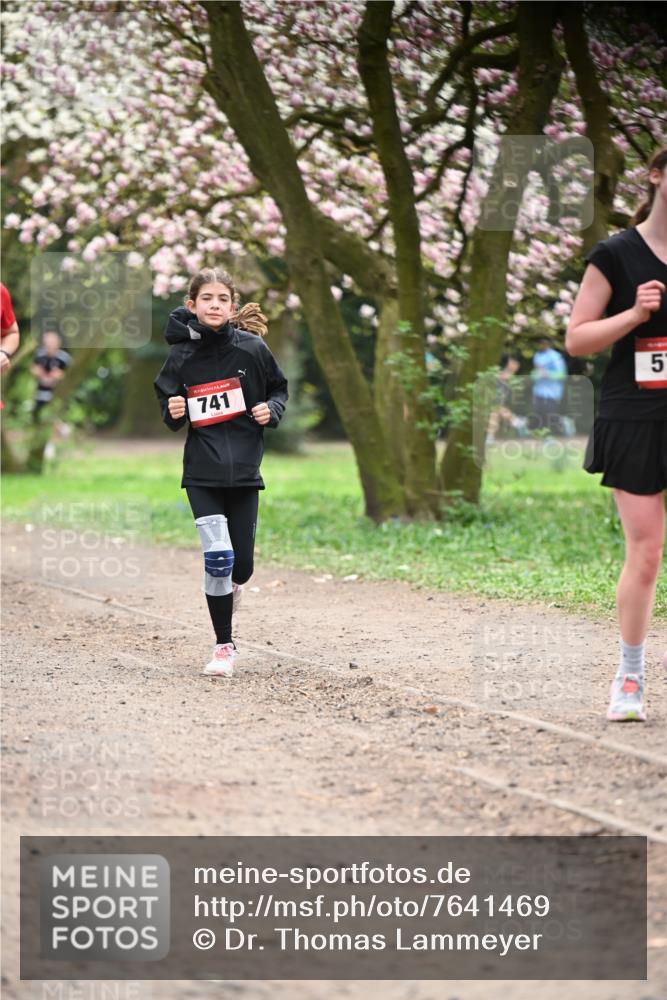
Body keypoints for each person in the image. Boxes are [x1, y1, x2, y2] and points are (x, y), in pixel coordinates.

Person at [566, 146, 667, 722]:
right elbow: (577, 338)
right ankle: (630, 676)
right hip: (635, 417)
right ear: (655, 175)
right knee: (646, 554)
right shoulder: (616, 253)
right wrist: (633, 315)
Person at [154, 266, 288, 678]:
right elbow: (170, 411)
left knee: (240, 567)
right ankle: (223, 646)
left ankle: (232, 585)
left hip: (245, 471)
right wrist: (174, 409)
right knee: (218, 558)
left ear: (232, 307)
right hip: (202, 472)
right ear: (192, 305)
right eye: (207, 299)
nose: (215, 305)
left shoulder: (252, 349)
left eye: (223, 299)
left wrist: (272, 410)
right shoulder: (181, 355)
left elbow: (278, 388)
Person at [31, 329, 71, 420]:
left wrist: (58, 376)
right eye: (47, 342)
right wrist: (41, 374)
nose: (49, 345)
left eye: (52, 342)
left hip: (57, 393)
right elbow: (33, 368)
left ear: (58, 343)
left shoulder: (65, 358)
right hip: (40, 392)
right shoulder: (39, 354)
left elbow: (69, 375)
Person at [531, 336, 567, 433]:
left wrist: (547, 374)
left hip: (552, 392)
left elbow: (562, 374)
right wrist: (535, 375)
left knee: (550, 414)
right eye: (540, 343)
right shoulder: (537, 356)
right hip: (538, 391)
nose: (542, 345)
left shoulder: (556, 357)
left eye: (544, 343)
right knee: (538, 413)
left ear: (549, 344)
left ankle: (562, 426)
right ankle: (542, 434)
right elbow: (535, 373)